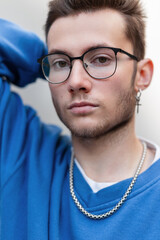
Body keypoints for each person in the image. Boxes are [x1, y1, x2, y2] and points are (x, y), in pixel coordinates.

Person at [1, 0, 160, 239]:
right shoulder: (21, 151)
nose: (76, 81)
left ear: (142, 75)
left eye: (101, 59)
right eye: (62, 63)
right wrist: (42, 59)